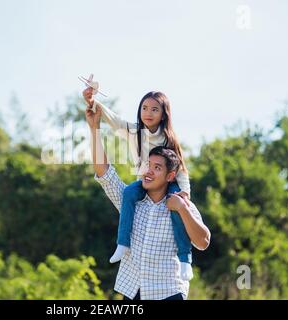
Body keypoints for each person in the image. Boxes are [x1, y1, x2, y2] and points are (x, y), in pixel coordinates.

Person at [85, 105, 210, 300]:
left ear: (170, 176)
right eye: (147, 165)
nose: (148, 171)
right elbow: (105, 174)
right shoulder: (130, 200)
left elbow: (203, 242)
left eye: (157, 168)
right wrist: (94, 129)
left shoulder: (181, 203)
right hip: (133, 291)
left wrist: (182, 210)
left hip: (168, 292)